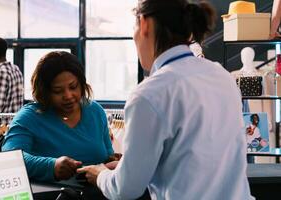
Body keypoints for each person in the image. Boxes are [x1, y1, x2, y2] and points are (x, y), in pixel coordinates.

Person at [77, 0, 253, 199]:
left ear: (144, 24)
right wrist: (131, 166)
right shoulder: (221, 76)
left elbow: (125, 189)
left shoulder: (149, 94)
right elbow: (199, 158)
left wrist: (100, 174)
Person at [2, 51, 116, 182]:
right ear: (44, 92)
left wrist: (113, 165)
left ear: (82, 84)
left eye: (73, 87)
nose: (68, 95)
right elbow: (10, 159)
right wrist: (51, 166)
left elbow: (107, 155)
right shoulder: (29, 118)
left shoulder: (95, 111)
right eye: (58, 91)